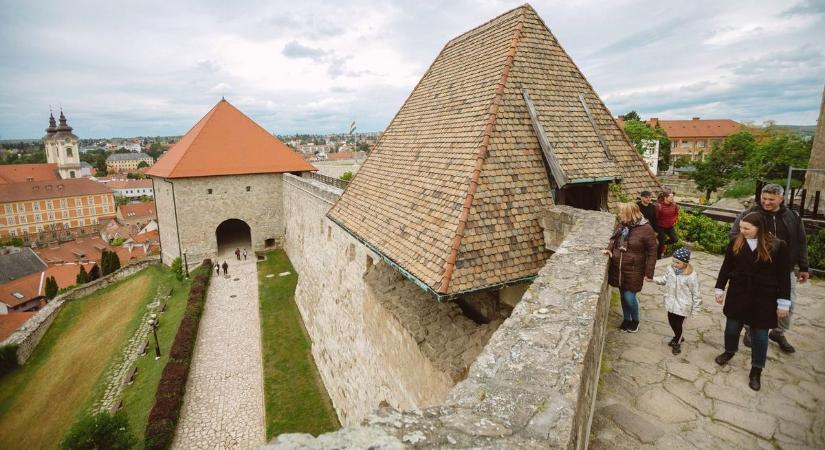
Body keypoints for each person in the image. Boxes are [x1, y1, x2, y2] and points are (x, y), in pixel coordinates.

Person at [714, 212, 791, 391]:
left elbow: (784, 278)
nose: (742, 231)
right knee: (732, 328)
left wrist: (783, 303)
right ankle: (730, 351)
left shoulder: (778, 246)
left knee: (760, 336)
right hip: (738, 292)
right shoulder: (736, 242)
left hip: (764, 296)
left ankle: (756, 369)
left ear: (760, 228)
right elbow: (726, 267)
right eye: (741, 227)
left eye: (747, 228)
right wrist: (719, 288)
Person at [732, 183, 809, 354]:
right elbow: (734, 237)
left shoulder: (793, 217)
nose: (766, 202)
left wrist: (804, 266)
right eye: (764, 198)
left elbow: (801, 241)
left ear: (781, 198)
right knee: (753, 301)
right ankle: (750, 330)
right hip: (757, 270)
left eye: (771, 200)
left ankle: (778, 332)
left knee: (788, 303)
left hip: (785, 269)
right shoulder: (749, 214)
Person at [603, 202, 658, 333]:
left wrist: (649, 272)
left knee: (629, 297)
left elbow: (652, 251)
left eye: (622, 212)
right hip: (619, 268)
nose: (619, 214)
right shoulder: (623, 224)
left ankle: (635, 321)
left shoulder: (646, 229)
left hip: (635, 269)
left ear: (629, 214)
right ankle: (626, 319)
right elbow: (614, 239)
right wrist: (609, 249)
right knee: (623, 296)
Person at [652, 247, 702, 355]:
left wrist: (695, 310)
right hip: (671, 303)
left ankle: (677, 342)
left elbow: (696, 294)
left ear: (685, 263)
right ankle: (678, 336)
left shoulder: (691, 276)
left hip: (683, 306)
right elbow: (665, 279)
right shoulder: (670, 270)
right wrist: (653, 279)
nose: (674, 264)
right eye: (673, 261)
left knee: (679, 325)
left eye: (677, 262)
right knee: (671, 321)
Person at [655, 191, 679, 258]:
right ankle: (658, 257)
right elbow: (656, 217)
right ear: (665, 198)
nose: (672, 198)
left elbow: (676, 213)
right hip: (660, 226)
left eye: (673, 197)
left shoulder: (674, 205)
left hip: (669, 226)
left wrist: (674, 220)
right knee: (661, 242)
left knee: (675, 239)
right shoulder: (659, 206)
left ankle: (663, 243)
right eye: (671, 197)